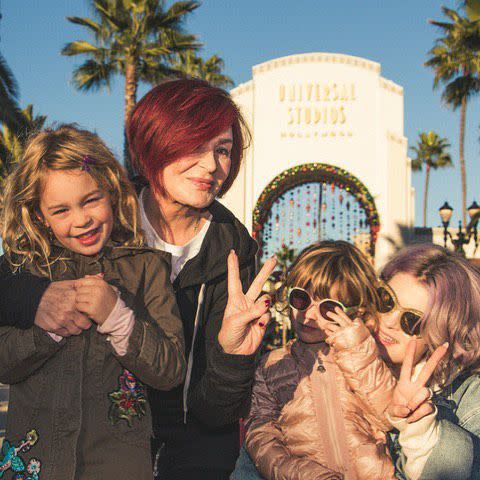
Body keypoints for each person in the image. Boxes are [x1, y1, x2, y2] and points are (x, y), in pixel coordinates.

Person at [0, 78, 276, 479]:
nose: (211, 165)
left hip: (187, 454)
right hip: (77, 451)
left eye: (223, 150)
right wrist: (38, 297)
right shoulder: (95, 211)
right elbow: (13, 277)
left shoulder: (236, 252)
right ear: (154, 143)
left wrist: (232, 355)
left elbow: (214, 411)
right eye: (195, 146)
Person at [0, 125, 187, 479]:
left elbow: (171, 370)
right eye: (61, 210)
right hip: (34, 462)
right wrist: (48, 332)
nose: (81, 219)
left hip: (118, 465)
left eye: (90, 200)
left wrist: (119, 318)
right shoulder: (21, 272)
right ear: (40, 215)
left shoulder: (146, 267)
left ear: (111, 192)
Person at [241, 241, 397, 480]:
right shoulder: (272, 365)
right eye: (301, 299)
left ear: (352, 311)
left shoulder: (365, 353)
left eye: (328, 308)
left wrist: (356, 351)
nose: (309, 315)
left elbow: (388, 417)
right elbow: (261, 438)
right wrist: (303, 474)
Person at [324, 243, 478, 480]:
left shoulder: (470, 398)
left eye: (411, 321)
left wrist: (422, 430)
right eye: (386, 300)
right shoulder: (332, 358)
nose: (389, 321)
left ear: (442, 335)